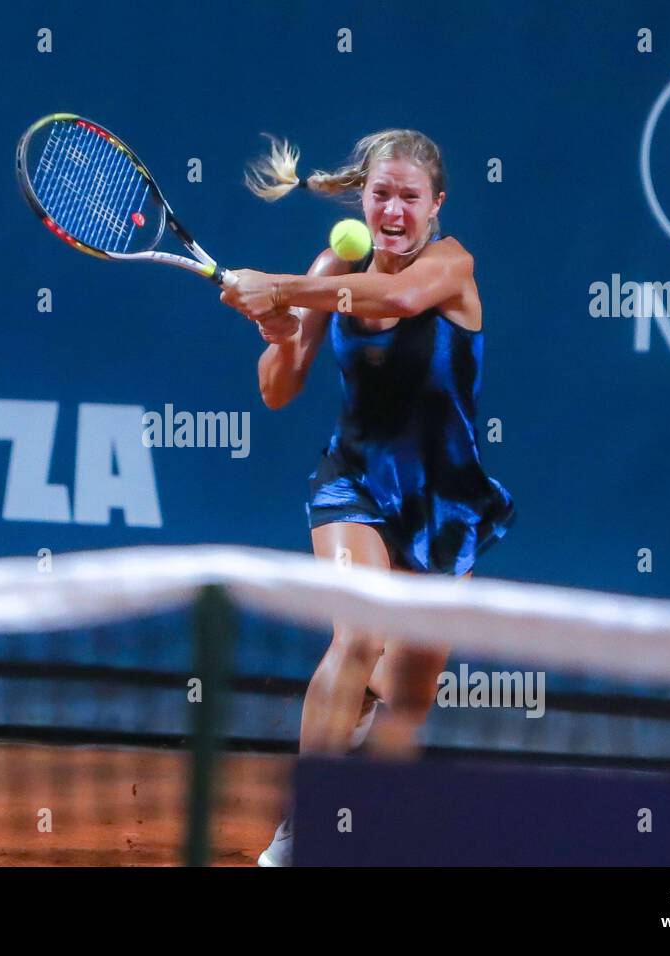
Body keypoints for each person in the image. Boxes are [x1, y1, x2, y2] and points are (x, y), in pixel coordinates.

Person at [219, 130, 515, 866]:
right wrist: (278, 331)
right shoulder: (333, 266)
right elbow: (277, 391)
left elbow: (399, 295)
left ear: (436, 206)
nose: (392, 210)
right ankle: (303, 831)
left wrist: (282, 287)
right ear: (362, 197)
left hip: (444, 503)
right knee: (357, 633)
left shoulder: (452, 267)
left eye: (409, 198)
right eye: (381, 194)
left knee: (406, 702)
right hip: (351, 480)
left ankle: (354, 802)